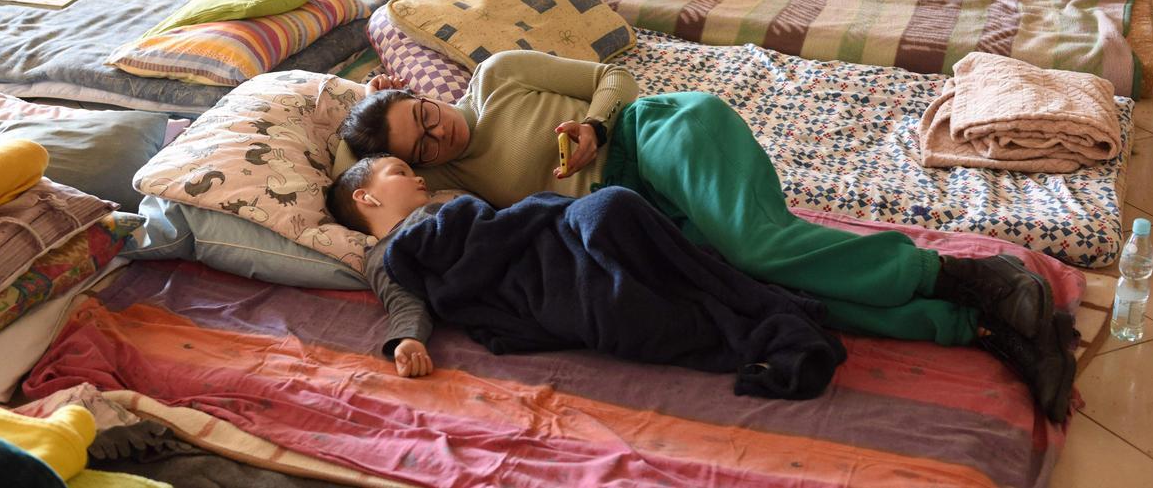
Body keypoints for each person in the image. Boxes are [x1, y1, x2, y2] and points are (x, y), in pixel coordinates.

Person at [337, 51, 1076, 421]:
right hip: (645, 217)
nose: (441, 130)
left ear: (421, 89)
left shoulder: (497, 76)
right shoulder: (455, 190)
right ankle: (983, 322)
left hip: (655, 135)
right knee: (776, 293)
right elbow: (414, 257)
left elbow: (613, 75)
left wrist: (594, 126)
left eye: (426, 112)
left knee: (759, 245)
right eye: (422, 145)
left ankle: (963, 275)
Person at [328, 154, 849, 399]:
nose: (417, 176)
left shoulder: (449, 204)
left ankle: (752, 299)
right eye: (398, 172)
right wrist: (405, 342)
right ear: (365, 198)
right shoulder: (390, 253)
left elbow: (519, 222)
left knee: (610, 209)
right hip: (539, 286)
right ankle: (760, 321)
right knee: (623, 310)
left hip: (555, 240)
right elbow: (405, 304)